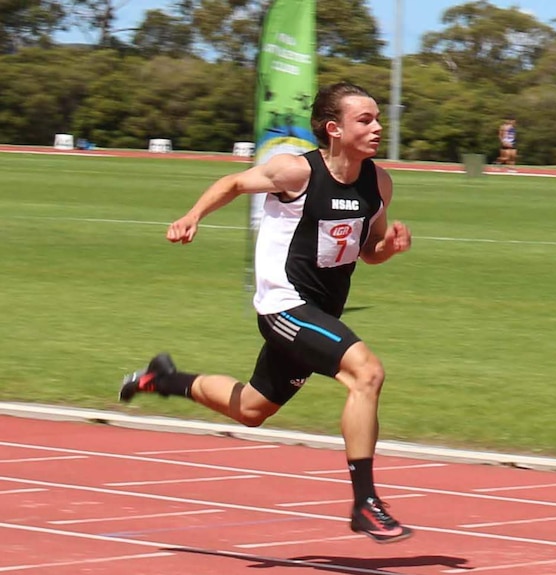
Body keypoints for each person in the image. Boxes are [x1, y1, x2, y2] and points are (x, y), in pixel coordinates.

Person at [119, 81, 414, 544]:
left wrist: (388, 248)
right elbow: (235, 183)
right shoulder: (295, 172)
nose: (378, 127)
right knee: (367, 373)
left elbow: (366, 252)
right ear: (334, 129)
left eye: (379, 119)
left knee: (253, 409)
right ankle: (364, 502)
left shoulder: (378, 182)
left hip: (321, 312)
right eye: (366, 120)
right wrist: (194, 215)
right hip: (284, 306)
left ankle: (162, 378)